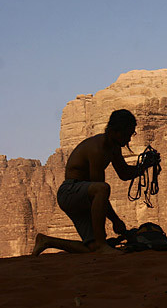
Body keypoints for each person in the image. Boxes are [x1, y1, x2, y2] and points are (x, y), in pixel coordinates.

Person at [32, 109, 156, 255]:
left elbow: (123, 173)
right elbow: (100, 191)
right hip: (70, 192)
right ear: (117, 132)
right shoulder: (98, 149)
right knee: (102, 188)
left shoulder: (113, 147)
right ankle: (103, 245)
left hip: (82, 195)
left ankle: (46, 241)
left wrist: (144, 166)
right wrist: (115, 220)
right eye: (128, 134)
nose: (129, 139)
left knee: (92, 248)